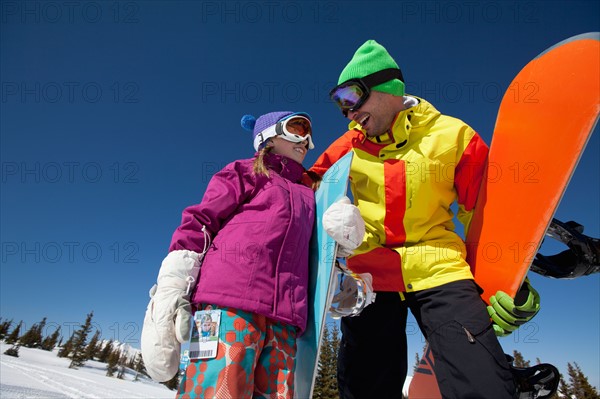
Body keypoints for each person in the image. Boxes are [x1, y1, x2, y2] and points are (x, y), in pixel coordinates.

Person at [311, 40, 541, 398]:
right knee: (365, 385)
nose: (348, 113)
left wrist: (509, 277)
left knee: (483, 383)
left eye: (351, 97)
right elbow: (302, 190)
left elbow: (482, 213)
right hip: (371, 275)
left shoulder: (453, 136)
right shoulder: (347, 147)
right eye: (339, 104)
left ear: (387, 86)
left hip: (440, 267)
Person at [141, 111, 355, 398]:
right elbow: (202, 220)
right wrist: (173, 283)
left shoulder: (311, 196)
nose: (305, 140)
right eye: (297, 128)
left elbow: (316, 252)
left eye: (309, 134)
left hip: (286, 319)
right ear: (268, 136)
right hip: (229, 304)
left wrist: (342, 248)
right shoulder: (246, 171)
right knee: (219, 389)